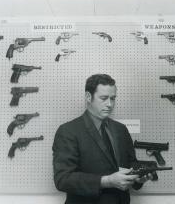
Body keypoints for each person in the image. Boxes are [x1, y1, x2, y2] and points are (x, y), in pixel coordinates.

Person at [53, 74, 151, 204]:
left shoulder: (121, 129)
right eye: (104, 98)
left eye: (113, 98)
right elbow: (63, 179)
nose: (110, 104)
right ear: (88, 97)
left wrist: (138, 178)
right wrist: (106, 181)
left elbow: (131, 164)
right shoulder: (68, 131)